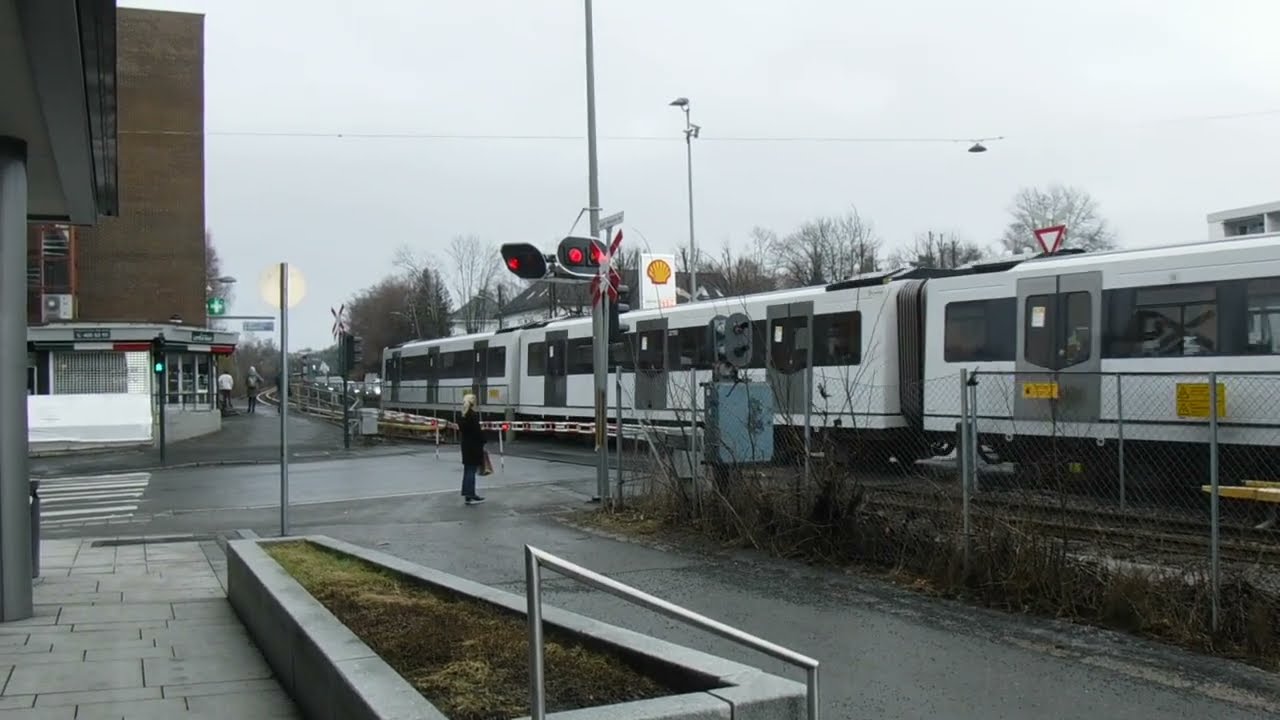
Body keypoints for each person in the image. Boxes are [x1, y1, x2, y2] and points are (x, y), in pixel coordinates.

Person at [458, 392, 486, 505]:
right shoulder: (473, 415)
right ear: (473, 402)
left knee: (467, 470)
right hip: (474, 446)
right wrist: (484, 440)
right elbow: (477, 432)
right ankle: (471, 494)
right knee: (471, 471)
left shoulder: (463, 415)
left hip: (465, 445)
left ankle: (467, 494)